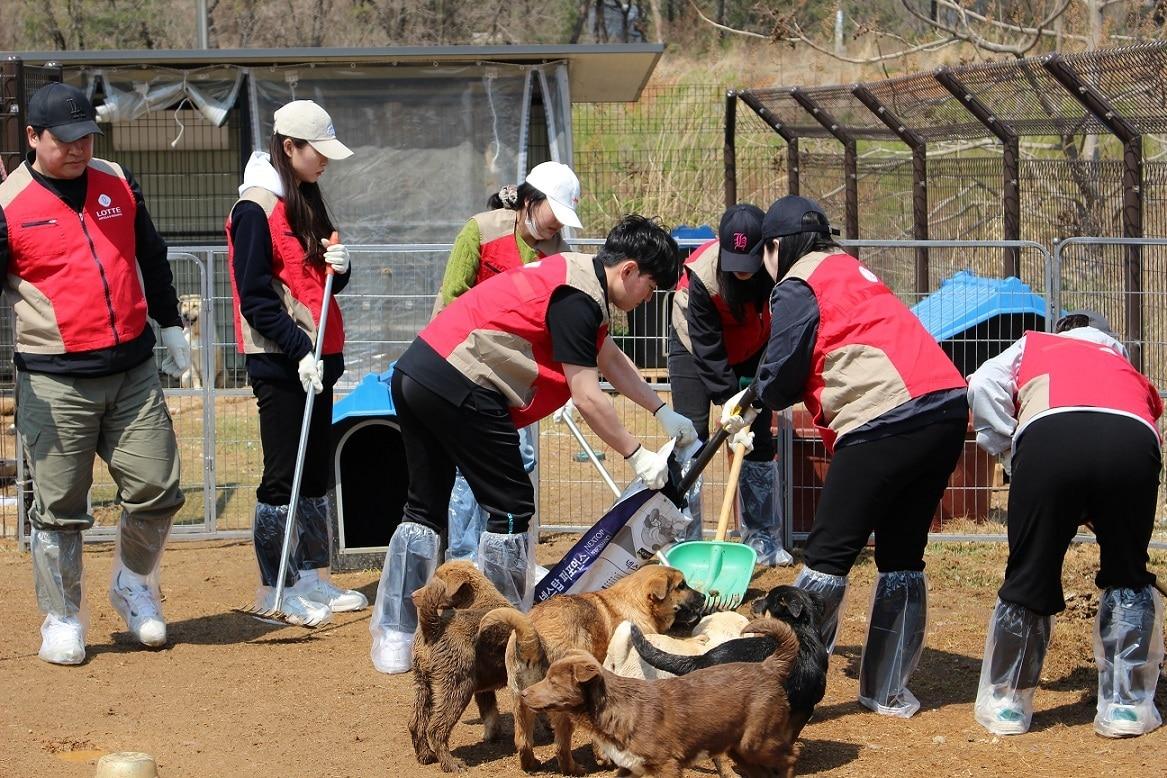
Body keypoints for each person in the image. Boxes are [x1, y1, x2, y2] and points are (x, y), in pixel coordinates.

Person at [370, 214, 700, 673]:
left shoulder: (573, 277)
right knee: (509, 505)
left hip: (419, 370)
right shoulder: (579, 300)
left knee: (424, 504)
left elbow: (609, 359)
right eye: (649, 286)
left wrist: (660, 411)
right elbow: (586, 392)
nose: (646, 298)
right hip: (463, 381)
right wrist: (635, 453)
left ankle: (397, 633)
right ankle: (502, 635)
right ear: (627, 270)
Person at [721, 195, 968, 717]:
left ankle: (777, 690)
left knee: (829, 557)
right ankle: (887, 689)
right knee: (902, 557)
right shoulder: (851, 268)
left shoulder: (798, 282)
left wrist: (755, 396)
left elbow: (785, 366)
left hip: (886, 420)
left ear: (777, 247)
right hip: (945, 408)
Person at [0, 83, 189, 664]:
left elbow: (149, 254)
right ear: (33, 137)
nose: (81, 149)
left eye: (87, 137)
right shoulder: (9, 204)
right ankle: (62, 617)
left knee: (158, 488)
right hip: (54, 377)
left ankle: (134, 584)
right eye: (66, 139)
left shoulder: (117, 181)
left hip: (132, 369)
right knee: (59, 508)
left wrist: (171, 323)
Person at [967, 310, 1164, 738]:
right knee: (1127, 574)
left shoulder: (1035, 344)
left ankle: (1008, 703)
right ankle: (1127, 706)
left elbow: (982, 383)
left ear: (1062, 331)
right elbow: (1147, 418)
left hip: (1049, 439)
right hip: (1133, 443)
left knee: (1030, 575)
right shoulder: (1120, 357)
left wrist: (1007, 449)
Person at [227, 99, 367, 626]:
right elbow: (256, 298)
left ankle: (311, 575)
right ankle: (276, 587)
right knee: (282, 473)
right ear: (289, 147)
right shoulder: (254, 209)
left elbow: (319, 277)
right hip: (281, 358)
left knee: (313, 469)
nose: (325, 162)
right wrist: (297, 348)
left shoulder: (307, 197)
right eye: (318, 152)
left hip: (321, 352)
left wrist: (343, 266)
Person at [433, 161, 582, 563]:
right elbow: (452, 298)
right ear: (531, 201)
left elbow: (562, 321)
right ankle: (464, 558)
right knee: (471, 461)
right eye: (554, 216)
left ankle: (507, 549)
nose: (556, 229)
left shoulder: (559, 254)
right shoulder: (482, 231)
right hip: (469, 367)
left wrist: (566, 382)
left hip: (519, 375)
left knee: (520, 458)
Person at [668, 203, 792, 565]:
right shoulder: (701, 278)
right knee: (690, 438)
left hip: (755, 345)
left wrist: (757, 391)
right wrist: (729, 402)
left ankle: (762, 540)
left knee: (758, 438)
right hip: (695, 347)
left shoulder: (778, 267)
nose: (741, 273)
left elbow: (784, 330)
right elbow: (706, 349)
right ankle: (683, 539)